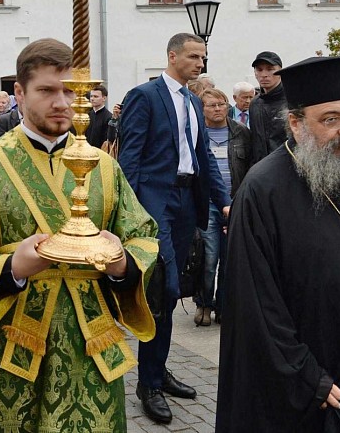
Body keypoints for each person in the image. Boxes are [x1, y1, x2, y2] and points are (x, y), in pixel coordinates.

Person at [0, 39, 158, 433]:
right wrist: (11, 266)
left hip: (90, 348)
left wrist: (122, 263)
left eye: (71, 91)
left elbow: (143, 236)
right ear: (19, 92)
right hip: (9, 344)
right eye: (47, 91)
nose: (63, 103)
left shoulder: (103, 167)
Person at [217, 56, 340, 432]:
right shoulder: (262, 191)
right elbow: (256, 304)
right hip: (319, 391)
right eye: (331, 119)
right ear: (296, 123)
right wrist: (306, 377)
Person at [118, 33, 230, 424]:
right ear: (172, 55)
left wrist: (225, 202)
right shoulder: (145, 96)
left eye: (203, 56)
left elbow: (204, 159)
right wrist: (127, 213)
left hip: (186, 204)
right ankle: (147, 383)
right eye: (194, 56)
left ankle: (158, 370)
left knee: (172, 291)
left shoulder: (192, 103)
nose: (201, 62)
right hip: (154, 204)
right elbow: (128, 158)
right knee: (162, 288)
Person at [193, 88, 251, 327]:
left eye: (221, 104)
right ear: (202, 109)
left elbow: (251, 168)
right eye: (211, 105)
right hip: (207, 204)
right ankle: (204, 302)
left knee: (230, 259)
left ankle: (224, 305)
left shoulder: (241, 133)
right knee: (208, 258)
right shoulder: (196, 133)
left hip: (235, 202)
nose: (218, 109)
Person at [249, 50, 287, 164]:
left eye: (270, 69)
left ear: (280, 71)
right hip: (262, 168)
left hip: (288, 167)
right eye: (259, 70)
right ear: (255, 73)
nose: (264, 75)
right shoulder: (255, 103)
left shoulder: (292, 100)